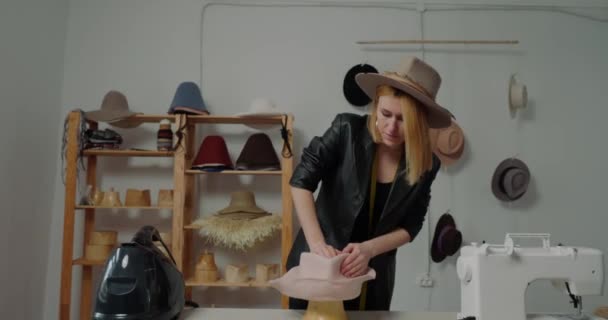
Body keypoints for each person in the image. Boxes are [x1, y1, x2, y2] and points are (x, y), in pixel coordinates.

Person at [286, 56, 453, 310]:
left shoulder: (427, 164)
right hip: (318, 270)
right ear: (376, 107)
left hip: (373, 278)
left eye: (403, 119)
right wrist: (318, 245)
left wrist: (369, 250)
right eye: (385, 114)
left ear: (418, 123)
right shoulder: (346, 130)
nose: (391, 127)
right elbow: (301, 181)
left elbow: (412, 224)